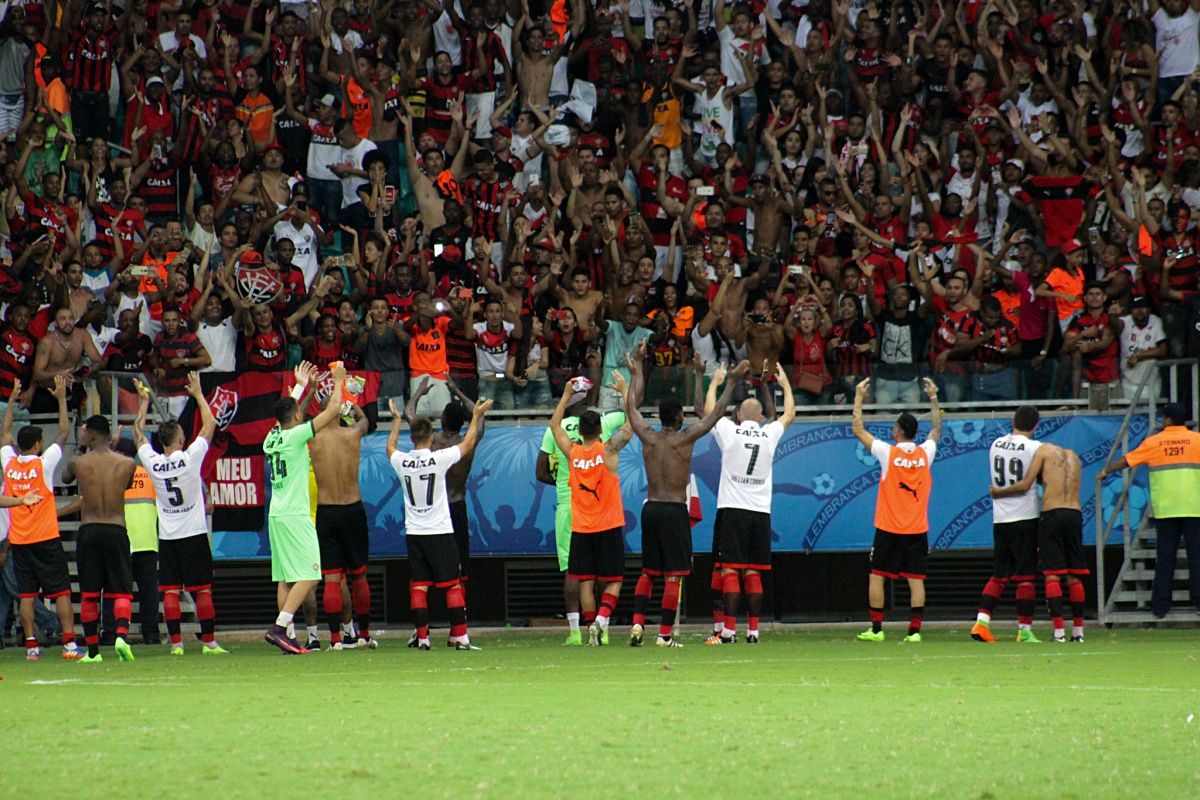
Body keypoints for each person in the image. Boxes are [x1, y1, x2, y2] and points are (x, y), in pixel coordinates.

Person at [626, 345, 744, 647]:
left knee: (648, 571)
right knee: (672, 575)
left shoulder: (648, 436)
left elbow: (631, 410)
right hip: (674, 510)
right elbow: (716, 414)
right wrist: (728, 382)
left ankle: (637, 625)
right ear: (679, 418)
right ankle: (664, 636)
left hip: (651, 508)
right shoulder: (685, 439)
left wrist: (636, 372)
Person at [385, 395, 491, 651]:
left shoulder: (401, 460)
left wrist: (396, 420)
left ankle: (422, 638)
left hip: (414, 533)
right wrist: (476, 415)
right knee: (452, 584)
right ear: (431, 438)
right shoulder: (438, 458)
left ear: (412, 438)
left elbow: (390, 447)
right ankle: (461, 638)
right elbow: (468, 444)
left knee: (419, 586)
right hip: (440, 531)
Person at [133, 372, 227, 655]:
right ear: (182, 438)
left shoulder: (153, 462)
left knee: (171, 591)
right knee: (202, 590)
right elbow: (210, 425)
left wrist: (143, 403)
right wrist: (198, 394)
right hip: (194, 533)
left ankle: (176, 644)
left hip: (169, 536)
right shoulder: (190, 458)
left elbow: (137, 435)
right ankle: (209, 642)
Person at [703, 360, 796, 645]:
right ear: (760, 416)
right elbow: (790, 414)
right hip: (760, 513)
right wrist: (784, 384)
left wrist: (716, 383)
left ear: (740, 416)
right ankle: (753, 631)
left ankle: (728, 632)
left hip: (732, 509)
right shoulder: (769, 434)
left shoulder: (731, 431)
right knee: (754, 570)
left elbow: (709, 412)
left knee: (730, 568)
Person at [262, 361, 347, 654]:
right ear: (297, 416)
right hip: (296, 514)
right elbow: (333, 411)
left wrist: (300, 386)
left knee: (285, 577)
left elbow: (285, 412)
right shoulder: (297, 435)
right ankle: (278, 627)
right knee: (311, 575)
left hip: (276, 514)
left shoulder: (271, 437)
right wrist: (338, 381)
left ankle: (287, 635)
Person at [535, 381, 627, 645]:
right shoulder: (608, 448)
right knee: (613, 579)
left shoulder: (572, 452)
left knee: (582, 579)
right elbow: (632, 424)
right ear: (600, 428)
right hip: (606, 522)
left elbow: (553, 427)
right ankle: (602, 624)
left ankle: (583, 631)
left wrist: (564, 394)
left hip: (578, 520)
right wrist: (623, 391)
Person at [0, 375, 83, 660]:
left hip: (20, 541)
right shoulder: (43, 464)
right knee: (60, 592)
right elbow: (62, 432)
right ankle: (70, 644)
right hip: (46, 538)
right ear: (37, 444)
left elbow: (4, 434)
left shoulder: (9, 464)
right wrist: (61, 398)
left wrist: (11, 401)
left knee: (26, 595)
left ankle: (32, 646)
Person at [853, 376, 941, 643]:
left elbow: (858, 429)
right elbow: (937, 430)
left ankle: (877, 630)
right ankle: (914, 632)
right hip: (916, 529)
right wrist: (934, 397)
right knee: (916, 579)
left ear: (897, 431)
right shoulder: (926, 452)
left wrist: (858, 396)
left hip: (889, 528)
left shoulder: (888, 453)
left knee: (877, 575)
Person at [1100, 403, 1200, 619]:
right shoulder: (1198, 440)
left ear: (1169, 421)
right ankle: (1199, 602)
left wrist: (1106, 470)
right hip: (1195, 507)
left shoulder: (1155, 442)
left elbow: (1127, 460)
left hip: (1166, 509)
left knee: (1165, 558)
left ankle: (1160, 606)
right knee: (1197, 557)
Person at [62, 415, 139, 663]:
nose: (81, 435)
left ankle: (94, 651)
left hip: (90, 529)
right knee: (121, 591)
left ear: (92, 436)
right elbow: (125, 486)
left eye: (85, 432)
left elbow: (65, 479)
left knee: (90, 593)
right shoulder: (127, 463)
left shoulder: (78, 462)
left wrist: (83, 449)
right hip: (116, 528)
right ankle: (121, 636)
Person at [992, 443, 1087, 643]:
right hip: (1075, 514)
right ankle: (1078, 632)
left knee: (1052, 575)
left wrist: (999, 492)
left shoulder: (1043, 451)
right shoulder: (1075, 457)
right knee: (1074, 575)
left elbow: (1026, 484)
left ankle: (1059, 632)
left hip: (1052, 514)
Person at [971, 406, 1043, 644]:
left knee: (999, 575)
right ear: (1035, 426)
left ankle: (981, 623)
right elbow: (1034, 480)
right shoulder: (1036, 448)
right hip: (1025, 516)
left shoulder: (996, 445)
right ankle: (1024, 630)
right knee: (1025, 577)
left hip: (1000, 519)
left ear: (1013, 420)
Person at [407, 376, 482, 602]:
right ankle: (461, 622)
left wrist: (420, 391)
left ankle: (421, 627)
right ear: (462, 422)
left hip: (434, 511)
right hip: (456, 506)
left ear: (442, 419)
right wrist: (456, 390)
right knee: (459, 568)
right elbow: (480, 415)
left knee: (423, 570)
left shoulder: (433, 442)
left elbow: (409, 412)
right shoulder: (467, 443)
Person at [308, 398, 374, 650]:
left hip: (327, 511)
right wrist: (352, 405)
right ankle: (364, 634)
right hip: (352, 509)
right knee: (359, 576)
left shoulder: (313, 439)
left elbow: (294, 424)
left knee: (332, 578)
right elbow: (365, 421)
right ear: (340, 413)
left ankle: (335, 638)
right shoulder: (352, 434)